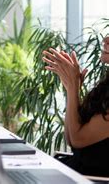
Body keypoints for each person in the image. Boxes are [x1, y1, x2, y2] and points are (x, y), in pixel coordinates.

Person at [43, 36, 109, 177]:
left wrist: (73, 88)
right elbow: (71, 138)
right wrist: (71, 89)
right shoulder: (105, 87)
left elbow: (78, 140)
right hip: (76, 173)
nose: (106, 39)